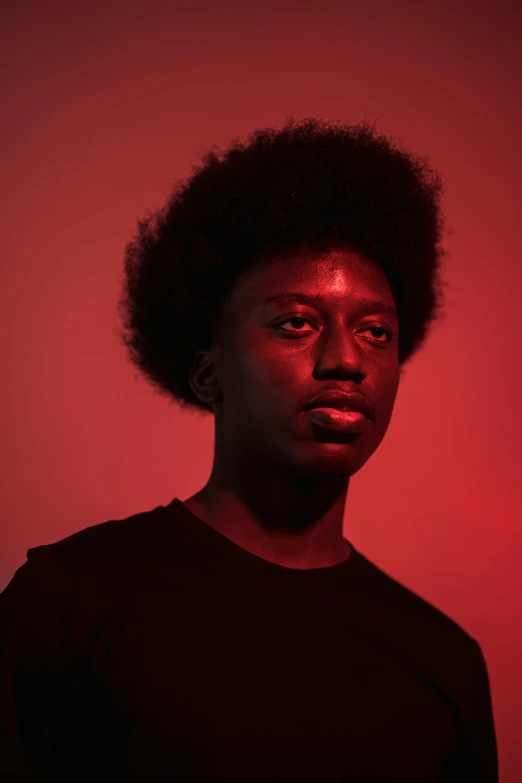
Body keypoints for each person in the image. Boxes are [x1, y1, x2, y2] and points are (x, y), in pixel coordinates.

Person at [0, 117, 498, 781]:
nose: (346, 359)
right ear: (209, 372)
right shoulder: (68, 602)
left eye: (377, 332)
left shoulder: (443, 661)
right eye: (297, 322)